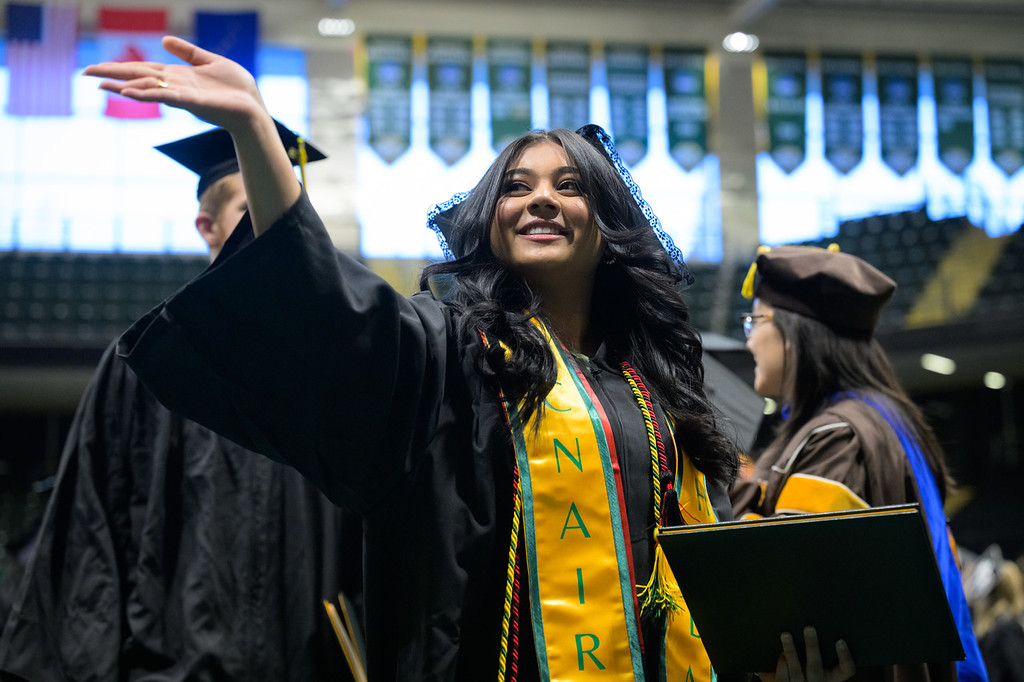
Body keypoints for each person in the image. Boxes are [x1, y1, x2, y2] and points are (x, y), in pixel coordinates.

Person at [82, 37, 855, 682]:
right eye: (516, 187)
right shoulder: (453, 350)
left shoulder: (653, 385)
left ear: (607, 223)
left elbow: (693, 571)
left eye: (570, 186)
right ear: (491, 222)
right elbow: (331, 315)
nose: (541, 199)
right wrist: (255, 128)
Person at [0, 124, 362, 681]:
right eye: (249, 205)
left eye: (285, 204)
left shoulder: (340, 370)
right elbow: (93, 531)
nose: (270, 219)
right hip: (170, 670)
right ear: (206, 226)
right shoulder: (144, 364)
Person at [730, 244, 988, 682]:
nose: (749, 337)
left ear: (798, 332)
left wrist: (720, 474)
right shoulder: (886, 419)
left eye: (757, 320)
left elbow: (781, 607)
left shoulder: (838, 437)